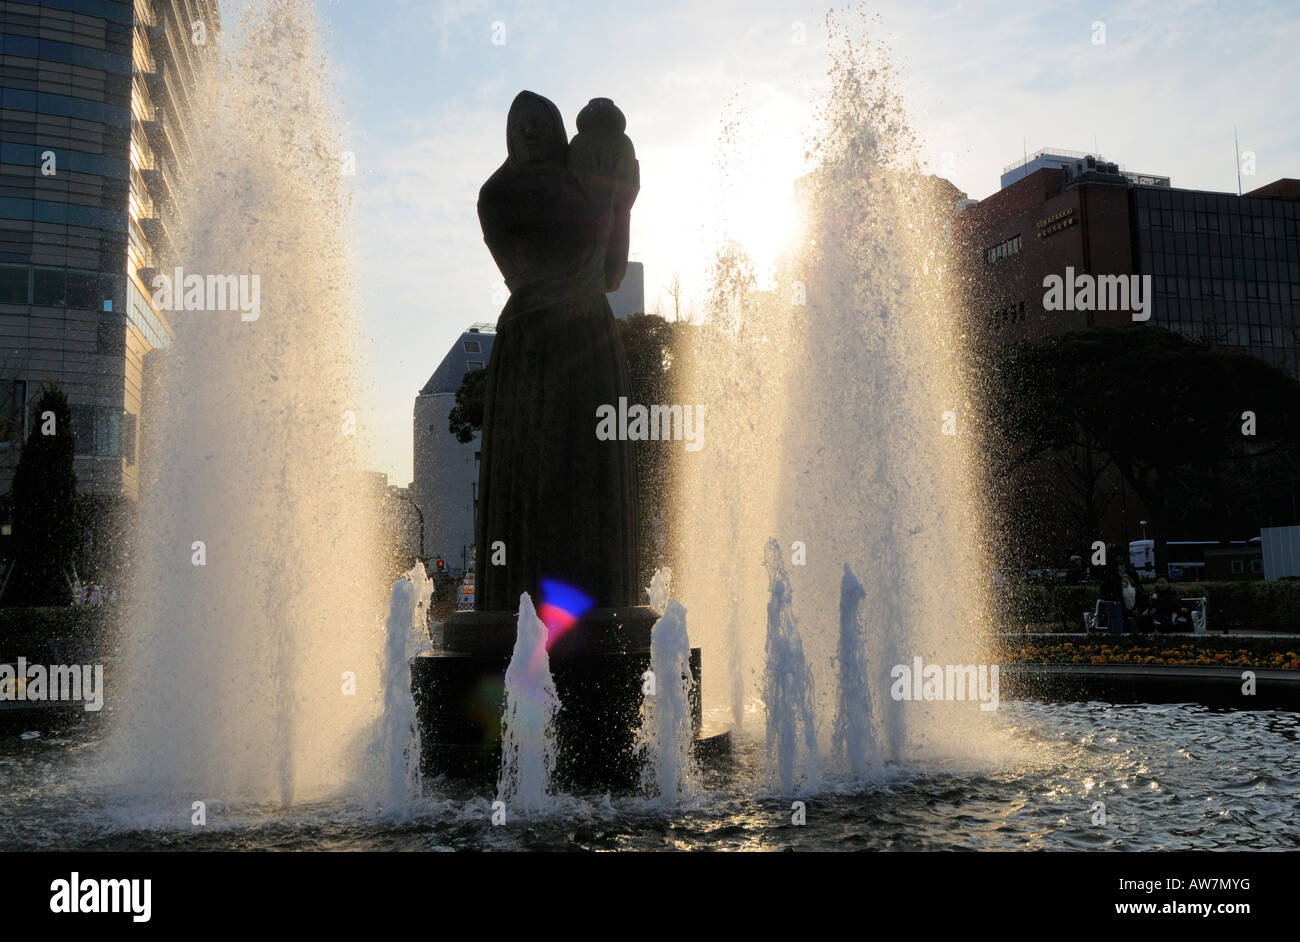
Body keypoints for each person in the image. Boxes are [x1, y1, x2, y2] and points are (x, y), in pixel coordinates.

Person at [1096, 544, 1124, 633]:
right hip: (1113, 599)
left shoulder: (1106, 565)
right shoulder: (1113, 568)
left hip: (1106, 597)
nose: (1123, 560)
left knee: (1107, 622)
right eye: (1122, 557)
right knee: (1115, 622)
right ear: (1117, 556)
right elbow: (1114, 583)